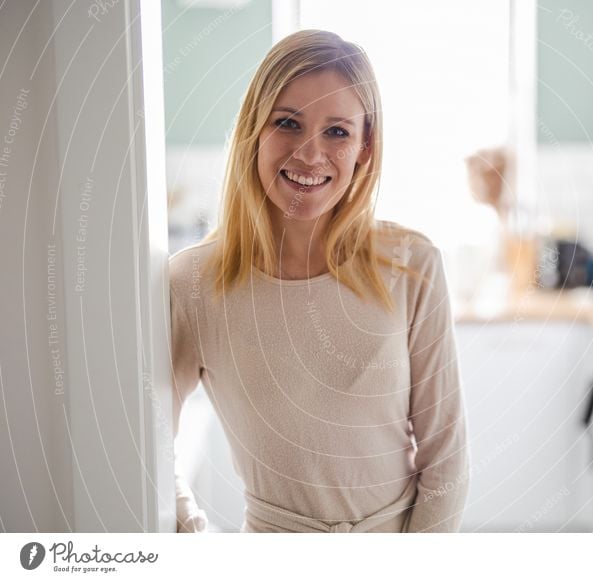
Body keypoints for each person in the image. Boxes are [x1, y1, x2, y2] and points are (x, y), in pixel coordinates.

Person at [168, 29, 470, 533]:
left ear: (364, 148)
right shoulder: (193, 283)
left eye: (337, 131)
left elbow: (446, 462)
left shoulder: (412, 266)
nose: (310, 154)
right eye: (287, 123)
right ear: (253, 132)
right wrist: (190, 531)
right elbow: (148, 441)